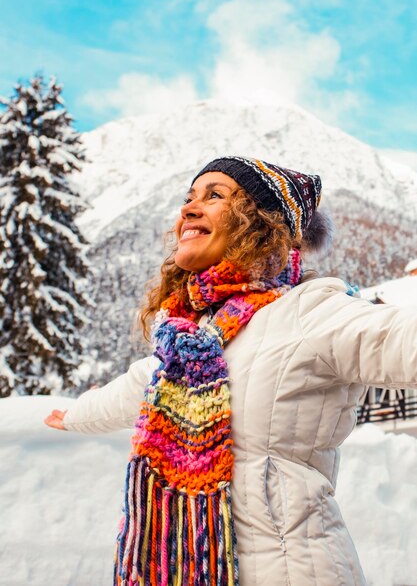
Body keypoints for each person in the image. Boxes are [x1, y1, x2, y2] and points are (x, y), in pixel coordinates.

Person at [45, 156, 417, 586]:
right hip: (197, 568)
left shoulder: (309, 311)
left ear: (260, 223)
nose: (189, 208)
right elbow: (139, 384)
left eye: (214, 195)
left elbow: (398, 338)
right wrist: (73, 416)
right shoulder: (194, 337)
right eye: (189, 197)